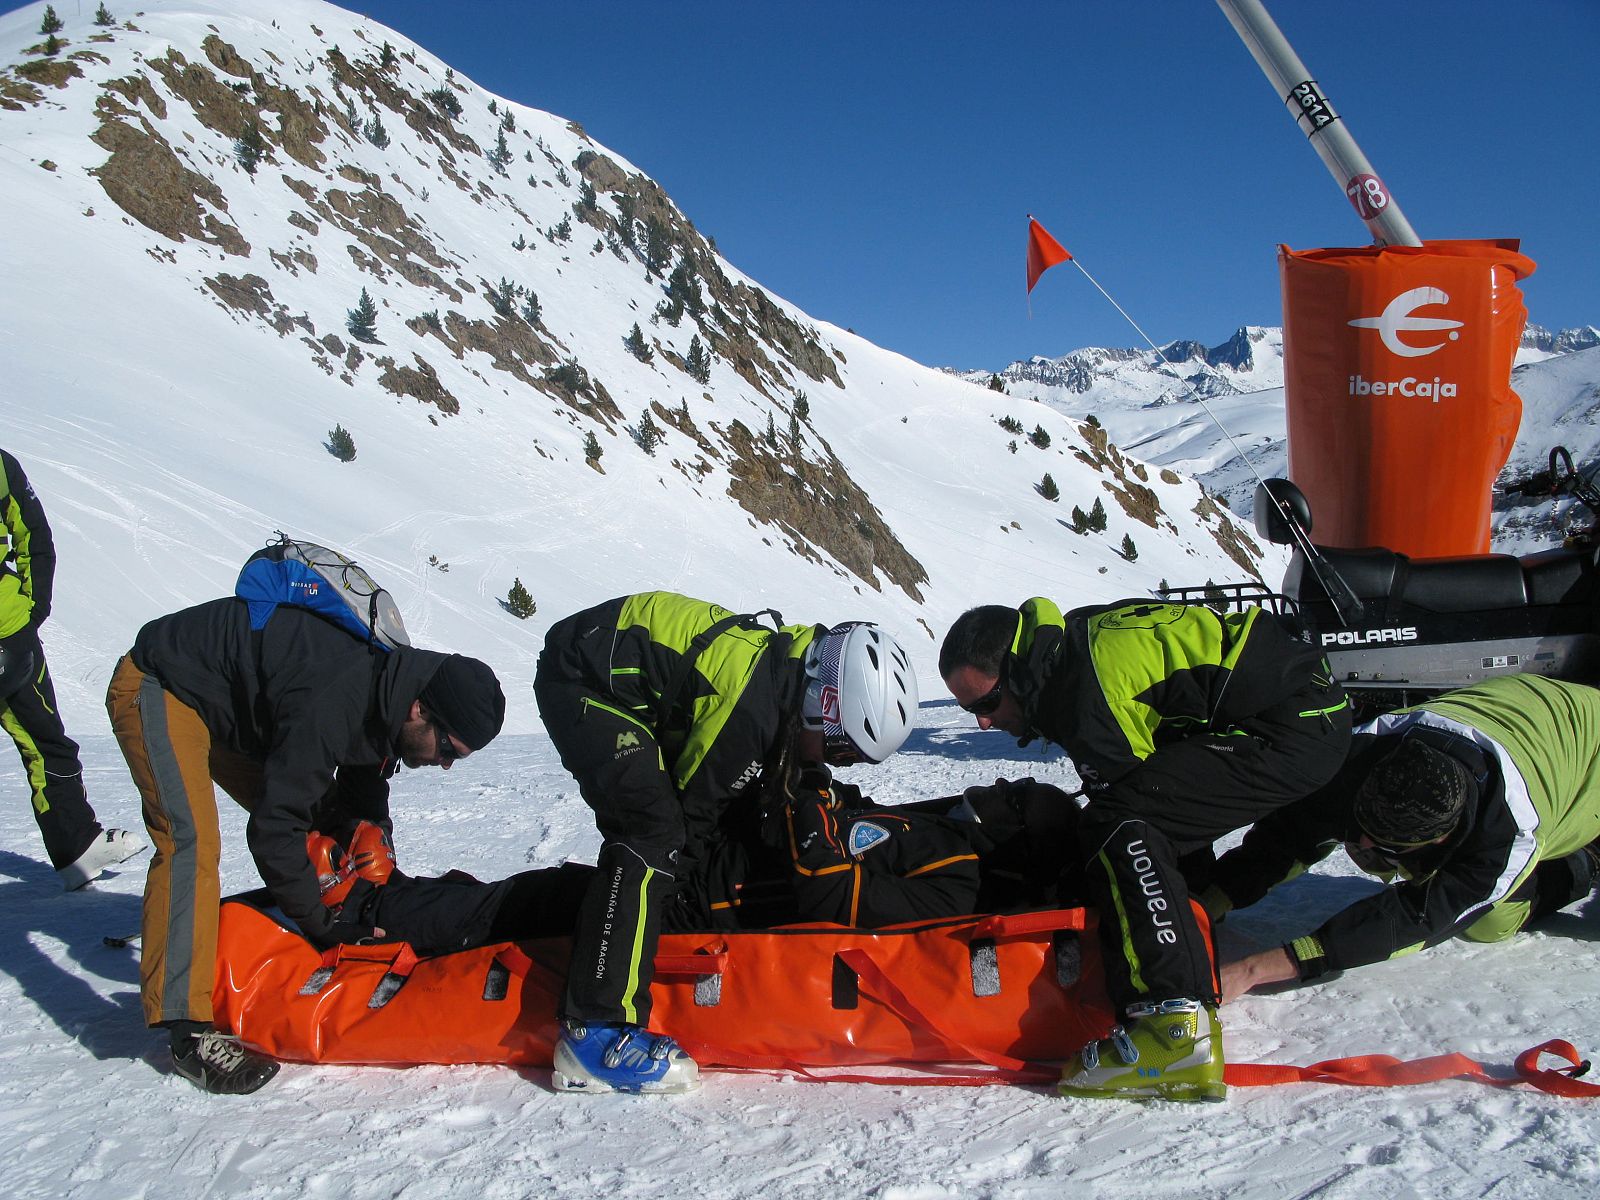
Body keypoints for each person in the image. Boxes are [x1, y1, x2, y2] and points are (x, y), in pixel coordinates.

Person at [940, 597, 1350, 1102]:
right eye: (969, 710)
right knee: (1135, 812)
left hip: (1295, 727)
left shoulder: (1081, 695)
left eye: (986, 703)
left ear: (1016, 675)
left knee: (1116, 822)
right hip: (1300, 702)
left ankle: (1172, 1028)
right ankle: (1187, 938)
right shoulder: (1067, 645)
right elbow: (1169, 803)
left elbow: (1140, 820)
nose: (982, 722)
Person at [105, 592, 505, 1095]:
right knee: (190, 841)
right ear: (419, 708)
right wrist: (323, 927)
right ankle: (188, 1031)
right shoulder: (335, 697)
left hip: (238, 714)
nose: (446, 762)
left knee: (329, 816)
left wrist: (372, 853)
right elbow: (274, 830)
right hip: (164, 685)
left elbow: (360, 792)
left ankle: (333, 914)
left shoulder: (389, 694)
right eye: (447, 747)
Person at [533, 591, 919, 1094]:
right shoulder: (749, 710)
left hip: (624, 668)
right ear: (822, 706)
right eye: (840, 750)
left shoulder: (789, 674)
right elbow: (693, 825)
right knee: (653, 832)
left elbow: (779, 776)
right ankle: (594, 1032)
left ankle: (621, 935)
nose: (835, 762)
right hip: (581, 678)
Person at [1214, 675, 1600, 1001]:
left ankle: (1584, 861)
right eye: (1365, 830)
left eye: (1387, 844)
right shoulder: (1362, 754)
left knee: (1488, 923)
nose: (1361, 847)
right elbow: (1290, 834)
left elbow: (1420, 917)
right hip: (1516, 706)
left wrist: (1254, 968)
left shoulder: (1508, 831)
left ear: (1441, 836)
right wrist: (1212, 899)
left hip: (1588, 752)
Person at [1, 448, 145, 889]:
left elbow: (34, 536)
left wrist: (31, 611)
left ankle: (77, 848)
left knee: (46, 744)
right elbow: (34, 537)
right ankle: (76, 847)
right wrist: (29, 610)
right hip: (9, 628)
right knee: (45, 745)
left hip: (10, 629)